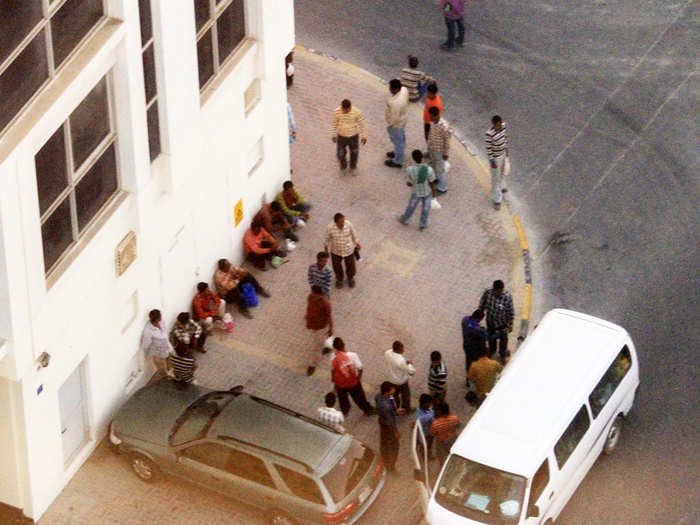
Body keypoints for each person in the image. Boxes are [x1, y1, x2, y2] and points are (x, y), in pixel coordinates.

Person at [330, 337, 374, 416]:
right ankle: (367, 410)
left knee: (342, 398)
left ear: (335, 348)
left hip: (340, 383)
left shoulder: (333, 357)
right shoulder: (352, 355)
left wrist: (333, 380)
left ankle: (345, 410)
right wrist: (358, 379)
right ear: (344, 345)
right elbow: (360, 368)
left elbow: (333, 370)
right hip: (352, 382)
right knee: (359, 397)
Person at [398, 150, 437, 230]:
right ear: (422, 157)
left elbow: (409, 183)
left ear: (413, 159)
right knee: (426, 208)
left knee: (411, 206)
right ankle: (423, 224)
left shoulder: (410, 169)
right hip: (427, 191)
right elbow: (432, 182)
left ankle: (405, 219)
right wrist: (434, 195)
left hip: (416, 191)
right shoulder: (429, 169)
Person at [478, 280, 514, 363]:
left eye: (500, 291)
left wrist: (510, 325)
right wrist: (480, 313)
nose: (499, 293)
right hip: (491, 322)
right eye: (497, 291)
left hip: (502, 324)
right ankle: (492, 353)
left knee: (503, 341)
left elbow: (510, 311)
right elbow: (482, 303)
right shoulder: (488, 293)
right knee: (491, 340)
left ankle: (502, 356)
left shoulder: (507, 297)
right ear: (494, 289)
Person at [324, 213, 360, 289]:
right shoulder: (330, 228)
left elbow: (354, 234)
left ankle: (350, 278)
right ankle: (339, 279)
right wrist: (326, 250)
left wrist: (357, 243)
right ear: (336, 222)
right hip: (336, 251)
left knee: (351, 266)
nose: (343, 224)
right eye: (341, 222)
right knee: (337, 267)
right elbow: (326, 239)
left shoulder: (348, 224)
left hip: (348, 250)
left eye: (344, 221)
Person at [331, 99, 366, 175]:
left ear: (350, 107)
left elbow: (362, 125)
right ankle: (343, 165)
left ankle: (353, 167)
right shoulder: (337, 112)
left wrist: (364, 136)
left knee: (354, 152)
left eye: (347, 110)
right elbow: (334, 123)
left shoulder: (357, 112)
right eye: (344, 110)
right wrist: (333, 135)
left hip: (353, 136)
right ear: (342, 108)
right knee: (340, 153)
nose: (345, 111)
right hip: (341, 136)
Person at [305, 285, 333, 376]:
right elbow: (309, 308)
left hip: (321, 327)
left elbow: (329, 316)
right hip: (312, 325)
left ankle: (312, 364)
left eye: (313, 292)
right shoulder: (310, 297)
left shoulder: (325, 303)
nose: (311, 294)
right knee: (320, 341)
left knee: (317, 347)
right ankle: (328, 347)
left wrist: (331, 328)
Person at [375, 381, 402, 472]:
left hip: (383, 422)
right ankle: (390, 465)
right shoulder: (386, 406)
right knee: (394, 446)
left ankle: (384, 456)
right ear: (387, 392)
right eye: (392, 389)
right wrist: (396, 432)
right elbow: (390, 421)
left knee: (384, 442)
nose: (394, 390)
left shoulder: (379, 396)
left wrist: (395, 411)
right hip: (388, 425)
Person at [384, 340, 416, 412]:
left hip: (391, 379)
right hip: (401, 381)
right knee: (405, 395)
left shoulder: (387, 353)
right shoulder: (400, 361)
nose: (404, 350)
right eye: (402, 348)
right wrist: (410, 364)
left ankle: (397, 408)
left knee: (395, 395)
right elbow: (411, 371)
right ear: (398, 349)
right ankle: (406, 408)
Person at [485, 115, 509, 209]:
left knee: (502, 173)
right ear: (493, 125)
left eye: (499, 125)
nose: (498, 127)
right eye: (496, 125)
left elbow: (504, 138)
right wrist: (492, 161)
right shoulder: (489, 134)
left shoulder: (503, 127)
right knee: (495, 178)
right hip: (496, 158)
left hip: (502, 154)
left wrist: (506, 150)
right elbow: (488, 149)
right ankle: (497, 200)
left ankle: (501, 187)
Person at [384, 78, 409, 168]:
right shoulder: (404, 90)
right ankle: (398, 152)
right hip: (403, 120)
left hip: (396, 125)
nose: (389, 89)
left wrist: (390, 125)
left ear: (396, 89)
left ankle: (398, 161)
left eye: (390, 88)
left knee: (398, 141)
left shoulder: (396, 103)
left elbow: (394, 118)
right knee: (401, 139)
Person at [141, 309, 173, 375]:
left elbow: (164, 333)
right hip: (158, 354)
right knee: (162, 370)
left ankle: (171, 373)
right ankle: (165, 378)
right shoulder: (148, 331)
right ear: (157, 319)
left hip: (167, 348)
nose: (161, 318)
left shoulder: (161, 322)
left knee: (170, 364)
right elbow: (145, 345)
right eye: (160, 317)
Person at [427, 106, 451, 194]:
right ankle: (436, 179)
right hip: (433, 148)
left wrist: (445, 153)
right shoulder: (433, 123)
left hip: (440, 151)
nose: (429, 118)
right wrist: (429, 145)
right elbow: (431, 134)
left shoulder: (443, 126)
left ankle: (442, 187)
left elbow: (447, 141)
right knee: (434, 165)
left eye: (431, 116)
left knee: (440, 170)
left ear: (436, 116)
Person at [462, 309, 489, 381]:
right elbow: (486, 337)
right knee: (475, 364)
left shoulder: (465, 319)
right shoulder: (477, 329)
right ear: (478, 319)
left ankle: (468, 377)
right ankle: (473, 378)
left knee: (468, 362)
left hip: (466, 345)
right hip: (474, 349)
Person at [415, 394, 435, 459]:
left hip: (430, 432)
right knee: (425, 444)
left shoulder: (429, 409)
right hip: (424, 433)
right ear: (424, 404)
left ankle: (427, 452)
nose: (430, 405)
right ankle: (425, 455)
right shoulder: (420, 416)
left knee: (429, 443)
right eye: (429, 403)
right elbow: (430, 418)